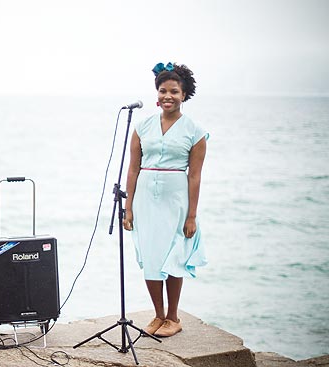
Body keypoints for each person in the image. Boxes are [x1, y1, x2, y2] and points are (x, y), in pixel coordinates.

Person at [123, 62, 208, 337]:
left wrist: (192, 215)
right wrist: (128, 208)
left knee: (174, 256)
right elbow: (133, 168)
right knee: (150, 256)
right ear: (156, 94)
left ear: (184, 95)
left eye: (174, 91)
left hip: (176, 200)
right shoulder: (142, 126)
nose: (167, 96)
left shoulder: (195, 131)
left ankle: (173, 317)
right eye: (162, 91)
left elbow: (194, 176)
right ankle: (158, 315)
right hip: (145, 198)